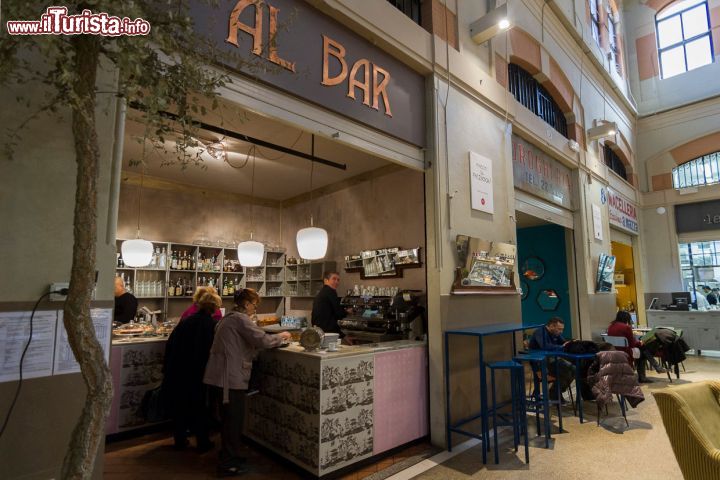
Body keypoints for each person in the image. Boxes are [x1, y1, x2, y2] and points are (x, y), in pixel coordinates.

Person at [203, 288, 291, 477]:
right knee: (233, 421)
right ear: (246, 303)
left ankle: (229, 456)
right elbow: (262, 340)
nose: (255, 309)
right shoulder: (240, 319)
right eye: (254, 305)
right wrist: (281, 336)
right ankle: (229, 464)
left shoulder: (227, 319)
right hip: (230, 377)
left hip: (220, 376)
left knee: (227, 420)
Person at [161, 289, 220, 452]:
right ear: (214, 307)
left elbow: (170, 344)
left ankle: (180, 440)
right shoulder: (211, 325)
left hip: (178, 369)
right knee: (200, 406)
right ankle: (203, 442)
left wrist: (167, 367)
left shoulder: (186, 321)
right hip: (198, 371)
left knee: (180, 405)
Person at [607, 310, 665, 383]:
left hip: (614, 352)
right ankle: (645, 375)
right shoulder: (626, 327)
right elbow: (632, 344)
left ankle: (656, 367)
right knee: (643, 351)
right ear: (626, 318)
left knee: (642, 350)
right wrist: (640, 342)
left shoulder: (610, 327)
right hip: (626, 352)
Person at [528, 317, 575, 400]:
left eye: (562, 329)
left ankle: (555, 392)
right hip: (541, 366)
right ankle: (554, 394)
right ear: (552, 326)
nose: (561, 331)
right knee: (568, 370)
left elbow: (564, 343)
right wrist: (561, 347)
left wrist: (571, 343)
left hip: (552, 361)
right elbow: (545, 346)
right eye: (559, 329)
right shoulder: (540, 332)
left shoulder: (556, 334)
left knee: (574, 369)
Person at [311, 271, 350, 336]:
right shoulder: (330, 292)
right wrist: (347, 312)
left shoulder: (322, 292)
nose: (337, 282)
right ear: (326, 280)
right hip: (327, 332)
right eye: (334, 279)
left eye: (338, 280)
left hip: (319, 330)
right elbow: (339, 313)